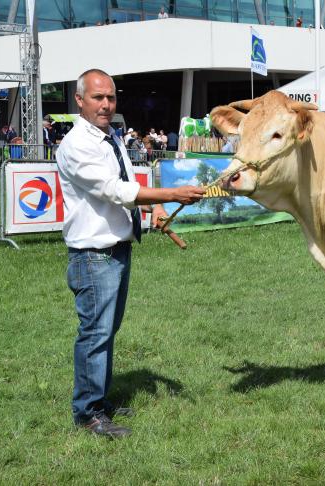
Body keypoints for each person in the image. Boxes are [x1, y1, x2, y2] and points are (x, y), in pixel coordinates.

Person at [56, 69, 205, 438]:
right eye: (97, 98)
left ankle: (99, 402)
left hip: (116, 250)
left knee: (107, 331)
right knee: (95, 333)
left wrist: (151, 207)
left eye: (110, 97)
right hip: (94, 255)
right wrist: (170, 195)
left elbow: (128, 183)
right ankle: (88, 413)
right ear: (79, 100)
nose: (106, 104)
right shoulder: (76, 145)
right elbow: (112, 190)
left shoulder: (111, 138)